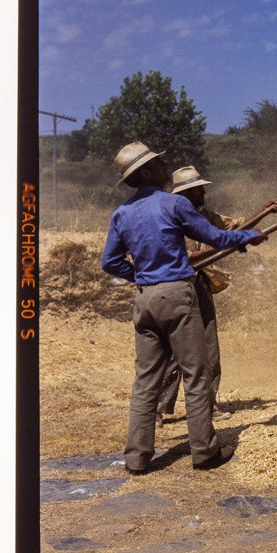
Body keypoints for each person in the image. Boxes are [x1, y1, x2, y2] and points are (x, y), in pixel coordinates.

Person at [101, 141, 267, 474]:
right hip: (177, 295)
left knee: (146, 380)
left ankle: (136, 458)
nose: (166, 167)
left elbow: (109, 262)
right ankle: (205, 452)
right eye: (160, 164)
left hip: (145, 299)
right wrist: (248, 236)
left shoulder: (122, 213)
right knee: (196, 374)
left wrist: (140, 275)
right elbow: (217, 238)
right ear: (147, 172)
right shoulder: (173, 204)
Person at [155, 165, 248, 427]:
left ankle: (207, 404)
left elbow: (236, 225)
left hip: (201, 286)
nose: (204, 192)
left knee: (208, 347)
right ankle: (158, 409)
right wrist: (213, 248)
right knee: (174, 350)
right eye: (199, 189)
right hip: (177, 286)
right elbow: (180, 257)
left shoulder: (205, 216)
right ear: (186, 193)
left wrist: (267, 211)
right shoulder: (170, 218)